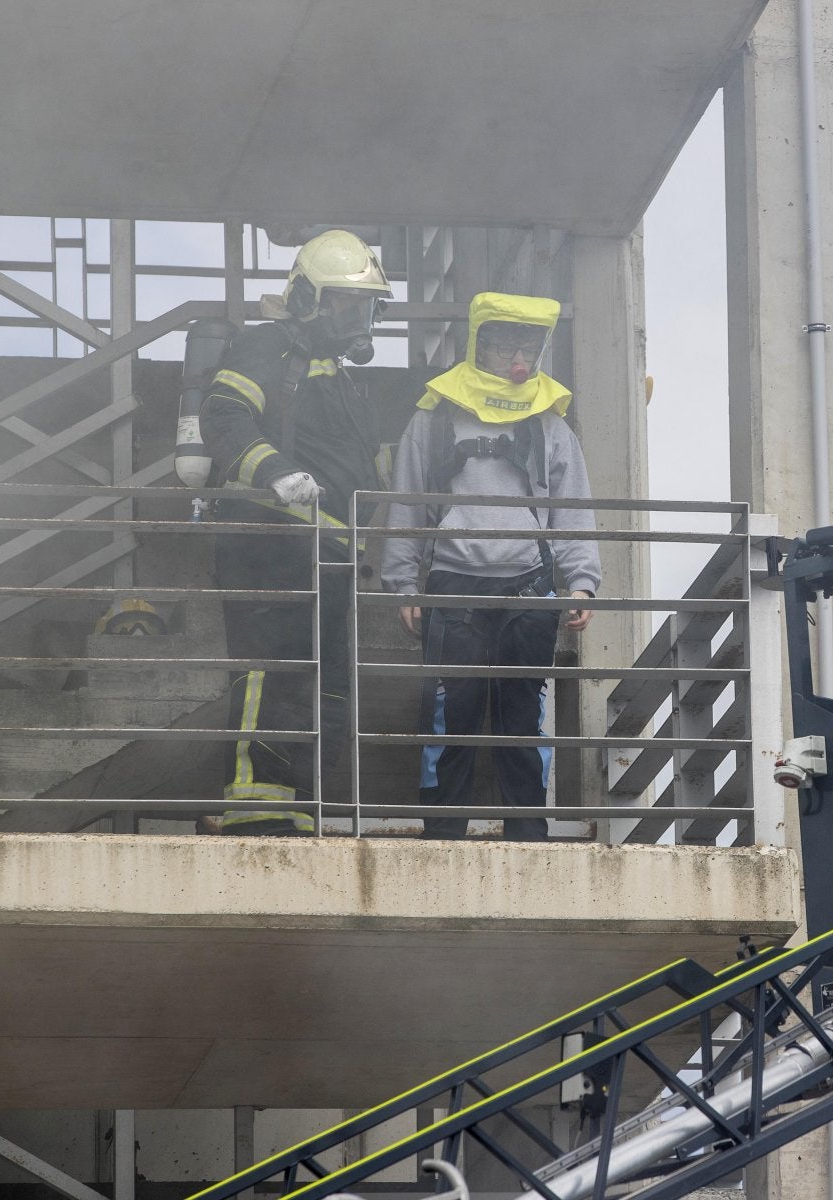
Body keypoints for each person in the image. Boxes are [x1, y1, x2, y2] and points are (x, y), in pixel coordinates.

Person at [381, 292, 600, 842]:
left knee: (523, 721)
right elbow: (406, 500)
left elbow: (573, 508)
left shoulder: (552, 427)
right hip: (451, 585)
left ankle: (530, 837)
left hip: (529, 587)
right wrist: (404, 582)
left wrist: (582, 582)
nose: (518, 358)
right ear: (480, 345)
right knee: (448, 719)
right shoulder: (432, 420)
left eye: (528, 346)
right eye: (506, 345)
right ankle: (442, 836)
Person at [199, 229, 395, 835]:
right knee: (272, 671)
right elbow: (223, 416)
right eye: (345, 302)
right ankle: (256, 808)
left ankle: (297, 803)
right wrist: (275, 470)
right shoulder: (268, 349)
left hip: (329, 553)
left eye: (365, 305)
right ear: (309, 297)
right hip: (270, 540)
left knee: (329, 688)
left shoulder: (340, 379)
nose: (357, 316)